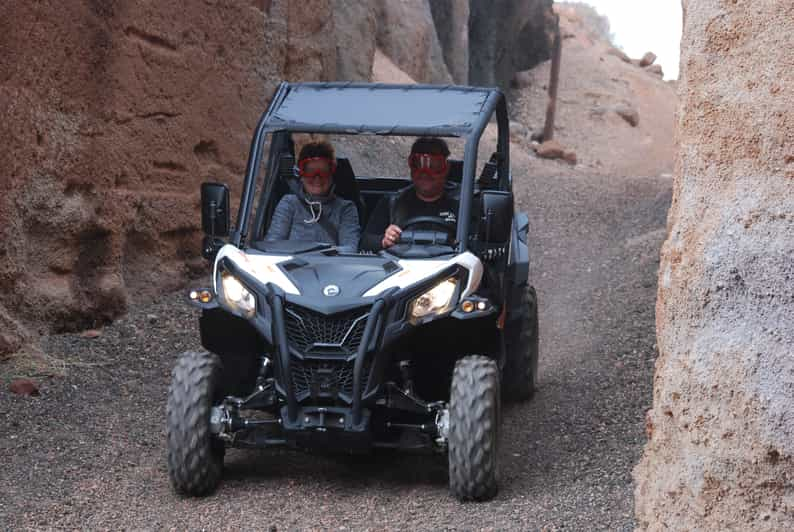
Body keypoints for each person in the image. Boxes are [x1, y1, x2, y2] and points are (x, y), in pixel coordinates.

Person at [361, 137, 457, 251]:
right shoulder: (392, 202)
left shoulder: (461, 203)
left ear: (446, 168)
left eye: (434, 165)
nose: (425, 173)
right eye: (418, 164)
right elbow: (365, 242)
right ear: (410, 167)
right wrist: (384, 240)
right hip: (402, 265)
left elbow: (476, 246)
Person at [266, 141, 360, 248]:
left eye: (323, 172)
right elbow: (272, 246)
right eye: (310, 171)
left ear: (331, 175)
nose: (317, 178)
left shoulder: (346, 208)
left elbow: (349, 249)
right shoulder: (289, 203)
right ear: (301, 175)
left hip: (333, 264)